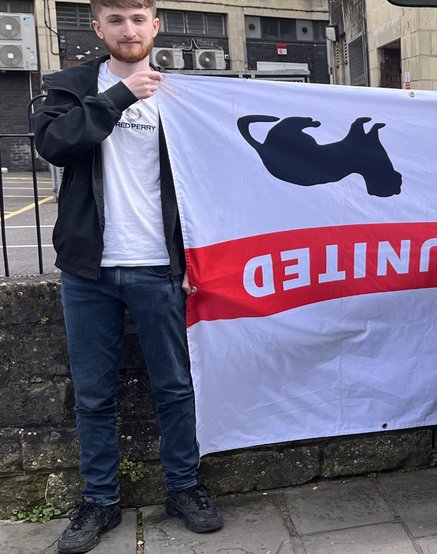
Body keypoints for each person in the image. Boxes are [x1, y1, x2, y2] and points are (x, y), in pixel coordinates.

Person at [31, 1, 223, 552]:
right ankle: (99, 500)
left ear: (155, 25)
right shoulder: (69, 87)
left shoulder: (183, 95)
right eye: (116, 20)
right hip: (88, 270)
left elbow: (206, 181)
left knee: (175, 387)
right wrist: (120, 95)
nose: (129, 30)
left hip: (159, 268)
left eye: (139, 19)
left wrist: (195, 257)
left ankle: (184, 488)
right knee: (93, 395)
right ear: (98, 28)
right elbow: (56, 143)